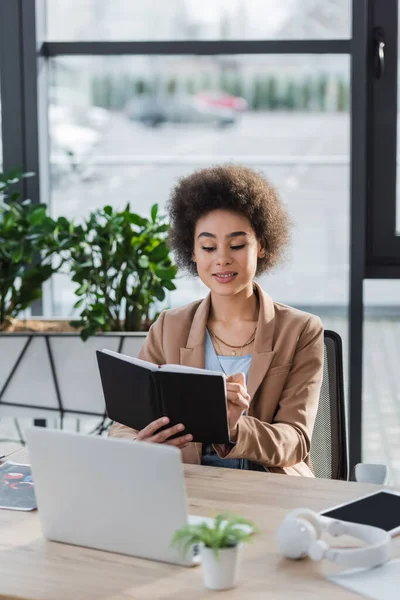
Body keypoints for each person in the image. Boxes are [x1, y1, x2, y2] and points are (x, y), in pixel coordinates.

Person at [109, 165, 324, 476]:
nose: (222, 258)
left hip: (267, 481)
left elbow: (296, 441)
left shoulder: (300, 329)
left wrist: (234, 428)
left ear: (261, 245)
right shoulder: (169, 326)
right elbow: (126, 425)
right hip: (188, 480)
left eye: (237, 245)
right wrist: (141, 444)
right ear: (193, 252)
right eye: (208, 247)